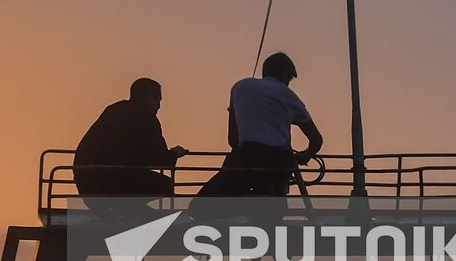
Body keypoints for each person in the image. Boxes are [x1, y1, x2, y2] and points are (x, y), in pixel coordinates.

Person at [197, 52, 323, 198]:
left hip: (245, 156)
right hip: (279, 162)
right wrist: (305, 155)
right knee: (270, 207)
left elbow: (233, 139)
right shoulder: (288, 95)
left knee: (201, 206)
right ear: (284, 75)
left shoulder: (239, 87)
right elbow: (316, 139)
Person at [73, 78, 188, 196]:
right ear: (148, 98)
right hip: (111, 182)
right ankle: (137, 213)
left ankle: (132, 212)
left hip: (86, 182)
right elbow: (161, 160)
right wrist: (175, 153)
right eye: (157, 99)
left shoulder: (114, 109)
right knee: (165, 185)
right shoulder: (146, 117)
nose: (159, 106)